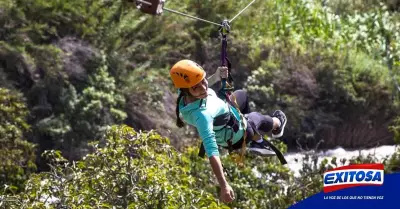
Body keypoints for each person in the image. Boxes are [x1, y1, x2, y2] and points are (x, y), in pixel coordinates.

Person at [169, 59, 287, 203]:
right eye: (196, 87)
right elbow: (212, 152)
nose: (203, 88)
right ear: (186, 90)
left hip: (228, 112)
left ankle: (257, 140)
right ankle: (278, 123)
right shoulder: (203, 116)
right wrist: (224, 185)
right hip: (237, 135)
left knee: (241, 95)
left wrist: (217, 76)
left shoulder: (185, 95)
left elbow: (200, 84)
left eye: (203, 80)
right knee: (257, 118)